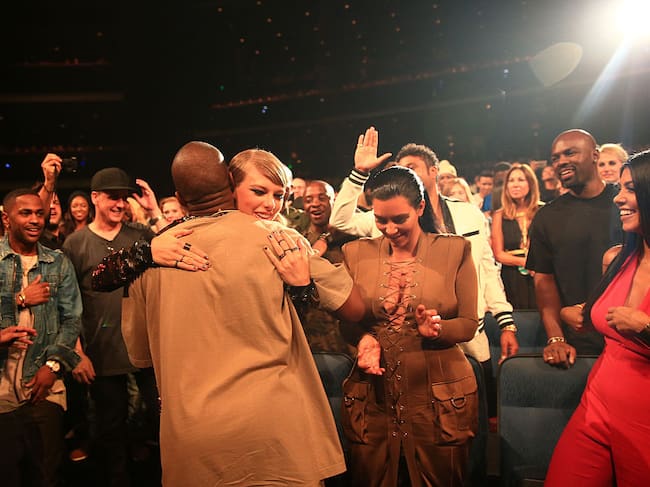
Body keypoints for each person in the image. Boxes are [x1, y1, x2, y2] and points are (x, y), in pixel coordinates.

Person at [121, 141, 363, 486]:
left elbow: (141, 356)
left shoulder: (153, 254)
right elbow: (354, 306)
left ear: (180, 195)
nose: (270, 204)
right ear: (229, 185)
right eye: (260, 191)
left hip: (195, 433)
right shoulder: (280, 239)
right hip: (276, 426)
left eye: (278, 195)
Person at [330, 126, 518, 386]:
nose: (391, 228)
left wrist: (505, 320)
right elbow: (340, 219)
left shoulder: (468, 215)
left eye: (412, 166)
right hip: (407, 350)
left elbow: (487, 269)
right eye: (401, 166)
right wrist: (359, 173)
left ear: (433, 171)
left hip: (470, 334)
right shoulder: (381, 224)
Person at [340, 165, 479, 486]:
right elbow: (347, 325)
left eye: (399, 219)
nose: (389, 229)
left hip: (438, 402)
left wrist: (438, 330)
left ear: (420, 208)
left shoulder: (454, 249)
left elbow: (469, 324)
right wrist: (362, 341)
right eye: (380, 220)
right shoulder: (355, 253)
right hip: (373, 399)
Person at [545, 150, 650, 485]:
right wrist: (572, 315)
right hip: (596, 406)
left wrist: (645, 326)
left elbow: (633, 322)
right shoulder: (617, 258)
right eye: (620, 188)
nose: (618, 198)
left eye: (631, 189)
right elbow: (602, 316)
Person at [62, 168, 160, 487]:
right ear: (95, 198)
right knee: (110, 427)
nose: (119, 203)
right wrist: (77, 352)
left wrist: (154, 212)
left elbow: (177, 248)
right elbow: (69, 301)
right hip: (101, 350)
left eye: (123, 197)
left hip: (146, 347)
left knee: (162, 419)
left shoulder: (140, 235)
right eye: (112, 197)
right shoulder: (75, 243)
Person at [0, 188, 82, 487]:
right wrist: (20, 298)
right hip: (2, 389)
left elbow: (72, 319)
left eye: (39, 213)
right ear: (6, 219)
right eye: (26, 213)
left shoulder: (58, 262)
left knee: (45, 474)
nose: (35, 219)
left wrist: (54, 366)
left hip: (44, 384)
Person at [526, 129, 623, 367]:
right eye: (556, 158)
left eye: (570, 153)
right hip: (577, 345)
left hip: (630, 338)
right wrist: (556, 337)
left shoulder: (627, 203)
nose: (561, 162)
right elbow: (544, 280)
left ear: (595, 155)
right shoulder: (546, 217)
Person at [491, 163, 543, 309]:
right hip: (512, 276)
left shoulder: (543, 211)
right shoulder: (499, 215)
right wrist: (525, 262)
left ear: (530, 183)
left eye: (520, 180)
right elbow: (499, 254)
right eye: (511, 181)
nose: (515, 184)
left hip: (540, 273)